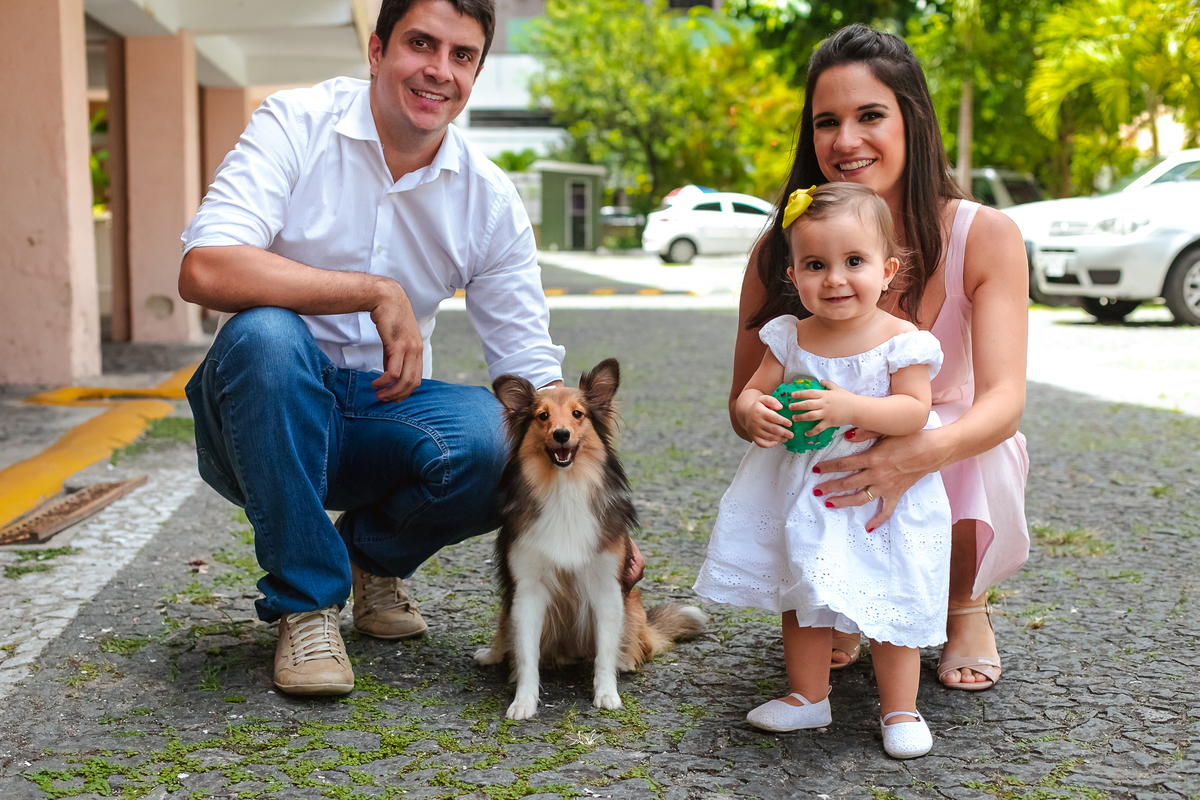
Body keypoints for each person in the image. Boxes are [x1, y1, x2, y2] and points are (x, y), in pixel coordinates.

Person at [178, 0, 648, 698]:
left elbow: (535, 372)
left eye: (463, 56)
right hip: (262, 410)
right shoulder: (295, 124)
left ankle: (370, 560)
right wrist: (373, 291)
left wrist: (596, 512)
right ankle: (307, 603)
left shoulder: (487, 198)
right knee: (266, 335)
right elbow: (205, 267)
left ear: (477, 72)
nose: (440, 71)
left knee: (501, 440)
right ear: (376, 52)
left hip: (379, 416)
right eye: (421, 45)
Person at [731, 24, 1029, 692]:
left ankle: (961, 602)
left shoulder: (987, 236)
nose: (844, 141)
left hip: (940, 441)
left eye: (870, 115)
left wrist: (910, 454)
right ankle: (834, 593)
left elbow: (1006, 400)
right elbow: (741, 398)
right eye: (825, 122)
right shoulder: (780, 251)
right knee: (823, 450)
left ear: (913, 121)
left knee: (972, 438)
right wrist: (764, 416)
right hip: (827, 456)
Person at [695, 183, 951, 759]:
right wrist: (752, 410)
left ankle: (900, 707)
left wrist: (851, 408)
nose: (834, 279)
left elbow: (914, 411)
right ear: (794, 273)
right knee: (801, 588)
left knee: (885, 596)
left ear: (887, 271)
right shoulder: (791, 336)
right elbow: (753, 393)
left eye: (853, 262)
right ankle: (808, 694)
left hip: (873, 492)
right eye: (816, 264)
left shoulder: (900, 340)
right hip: (802, 488)